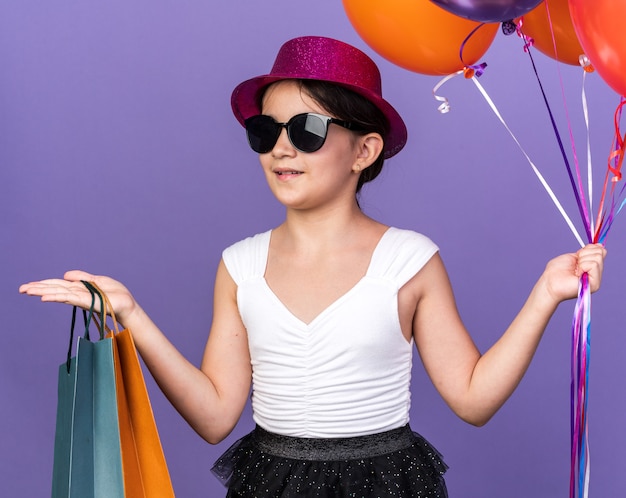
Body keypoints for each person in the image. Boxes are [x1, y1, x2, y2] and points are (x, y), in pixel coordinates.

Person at [19, 36, 606, 497]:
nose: (281, 148)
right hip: (269, 482)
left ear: (364, 150)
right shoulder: (239, 265)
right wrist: (132, 313)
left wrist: (544, 296)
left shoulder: (409, 261)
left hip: (386, 483)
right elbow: (215, 416)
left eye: (307, 130)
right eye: (265, 131)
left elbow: (473, 400)